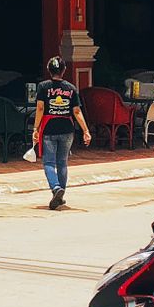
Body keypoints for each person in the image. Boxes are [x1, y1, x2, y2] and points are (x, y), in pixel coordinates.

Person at [32, 56, 91, 210]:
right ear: (64, 70)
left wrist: (35, 128)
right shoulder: (71, 88)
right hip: (67, 129)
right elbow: (76, 111)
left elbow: (40, 108)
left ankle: (56, 188)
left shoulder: (43, 87)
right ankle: (59, 197)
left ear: (49, 70)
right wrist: (85, 130)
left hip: (49, 128)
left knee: (49, 163)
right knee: (62, 163)